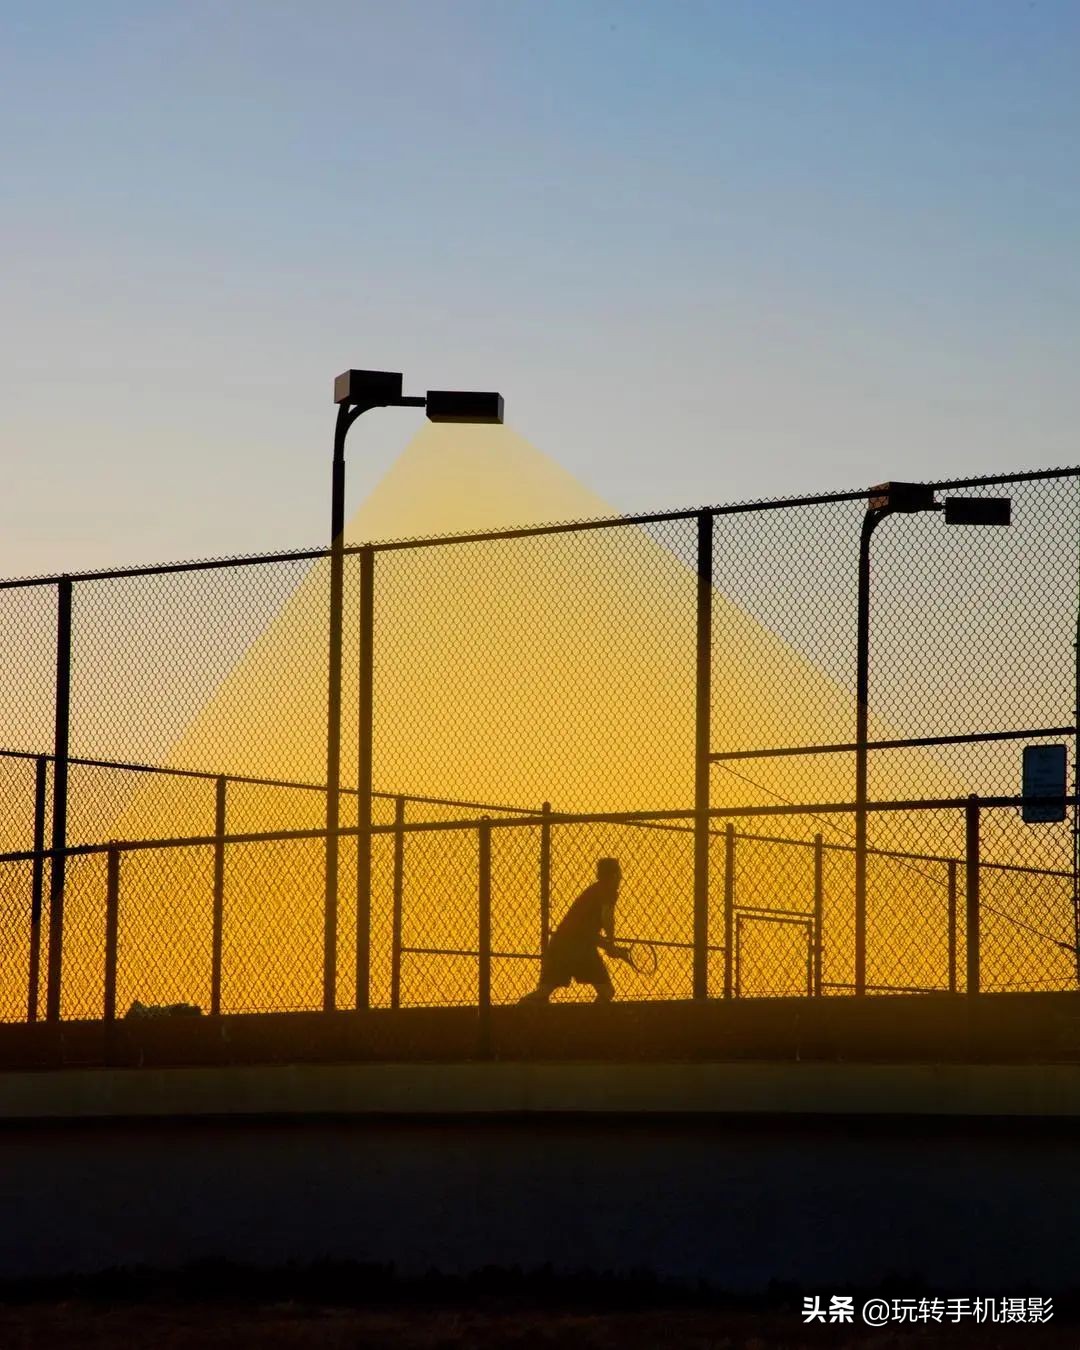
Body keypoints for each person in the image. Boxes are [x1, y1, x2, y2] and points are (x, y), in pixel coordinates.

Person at [518, 857, 629, 1004]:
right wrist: (611, 942)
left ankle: (521, 1010)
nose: (621, 877)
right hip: (580, 948)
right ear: (614, 875)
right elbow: (606, 917)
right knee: (607, 992)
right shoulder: (608, 890)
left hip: (561, 945)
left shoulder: (594, 891)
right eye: (619, 873)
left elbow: (586, 933)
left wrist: (609, 946)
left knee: (543, 992)